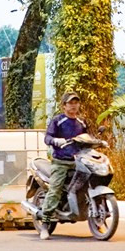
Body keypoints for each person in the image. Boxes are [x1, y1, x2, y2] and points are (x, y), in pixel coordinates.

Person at [39, 92, 87, 240]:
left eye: (76, 102)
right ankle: (45, 225)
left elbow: (87, 138)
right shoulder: (58, 120)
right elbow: (47, 137)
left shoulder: (82, 122)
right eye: (70, 103)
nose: (74, 105)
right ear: (64, 105)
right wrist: (56, 141)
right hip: (60, 162)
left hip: (78, 162)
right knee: (55, 190)